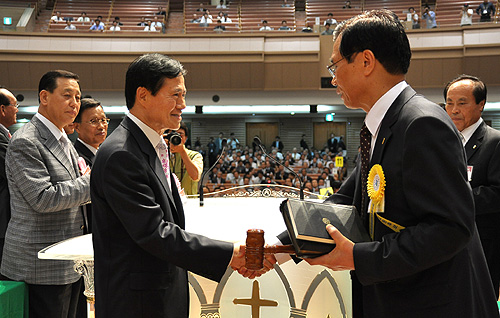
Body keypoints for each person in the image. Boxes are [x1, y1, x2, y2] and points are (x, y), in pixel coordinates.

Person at [292, 9, 499, 317]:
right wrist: (283, 244)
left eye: (335, 64)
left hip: (430, 302)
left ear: (365, 62)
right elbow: (347, 200)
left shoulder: (421, 123)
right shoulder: (385, 123)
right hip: (398, 295)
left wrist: (359, 257)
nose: (333, 76)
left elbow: (451, 228)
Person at [90, 53, 274, 317]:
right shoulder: (122, 154)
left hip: (157, 291)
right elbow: (154, 232)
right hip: (136, 302)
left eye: (184, 95)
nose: (183, 105)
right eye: (175, 95)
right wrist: (230, 253)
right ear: (143, 95)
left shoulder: (148, 145)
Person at [1, 70, 91, 318]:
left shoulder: (63, 137)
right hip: (38, 263)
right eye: (67, 95)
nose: (75, 103)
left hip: (69, 259)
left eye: (78, 97)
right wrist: (92, 183)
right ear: (44, 96)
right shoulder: (26, 141)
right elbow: (43, 198)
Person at [444, 74, 500, 299]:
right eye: (449, 102)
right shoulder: (442, 141)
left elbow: (497, 193)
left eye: (462, 103)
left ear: (481, 105)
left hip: (482, 244)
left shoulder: (494, 142)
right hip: (445, 242)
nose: (454, 109)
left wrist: (454, 198)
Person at [0, 87, 17, 276]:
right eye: (14, 105)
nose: (17, 110)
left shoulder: (6, 136)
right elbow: (13, 170)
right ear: (2, 109)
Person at [168, 122, 203, 195]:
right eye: (173, 134)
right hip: (167, 203)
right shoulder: (162, 155)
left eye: (180, 134)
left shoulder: (195, 155)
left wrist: (182, 152)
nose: (176, 138)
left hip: (189, 202)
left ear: (186, 138)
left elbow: (195, 176)